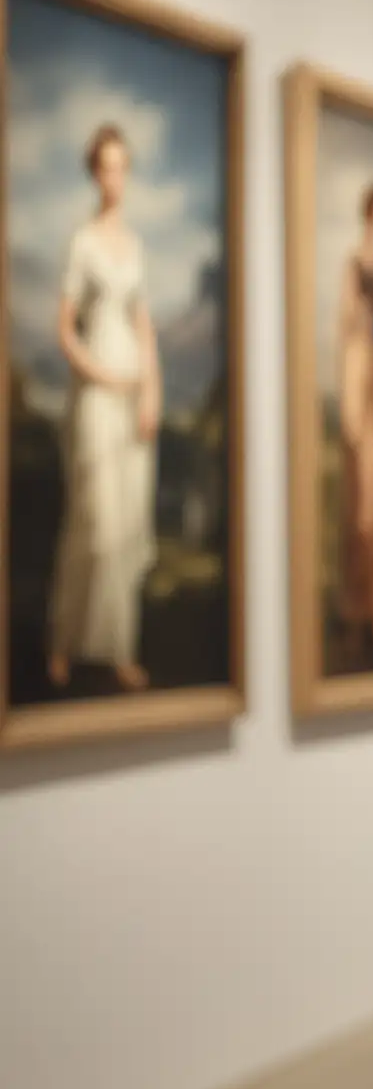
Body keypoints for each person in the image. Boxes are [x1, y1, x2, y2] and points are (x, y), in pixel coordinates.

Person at [47, 123, 161, 693]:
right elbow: (65, 331)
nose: (115, 177)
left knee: (127, 524)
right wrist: (105, 376)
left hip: (131, 395)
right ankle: (63, 644)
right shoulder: (83, 243)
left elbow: (145, 326)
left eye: (123, 165)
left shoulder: (134, 246)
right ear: (95, 173)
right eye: (106, 166)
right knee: (94, 521)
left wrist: (150, 391)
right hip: (95, 395)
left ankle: (120, 651)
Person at [336, 183, 373, 663]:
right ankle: (357, 611)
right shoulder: (353, 262)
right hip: (360, 374)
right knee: (362, 511)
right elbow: (346, 324)